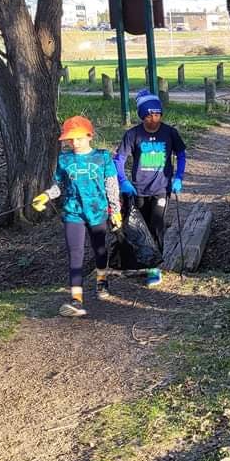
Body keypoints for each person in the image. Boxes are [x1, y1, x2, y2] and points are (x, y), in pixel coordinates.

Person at [31, 116, 121, 317]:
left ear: (90, 136)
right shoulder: (64, 160)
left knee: (100, 249)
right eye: (70, 139)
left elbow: (112, 185)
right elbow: (59, 186)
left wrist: (115, 211)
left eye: (78, 138)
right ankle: (76, 299)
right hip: (73, 211)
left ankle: (101, 279)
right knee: (76, 253)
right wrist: (46, 195)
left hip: (97, 210)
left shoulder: (102, 157)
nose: (74, 143)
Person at [114, 89, 187, 287]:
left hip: (161, 188)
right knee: (139, 226)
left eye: (157, 114)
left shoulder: (170, 133)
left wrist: (178, 177)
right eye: (149, 115)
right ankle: (139, 263)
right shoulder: (133, 134)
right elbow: (119, 160)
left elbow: (181, 155)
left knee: (156, 225)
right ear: (142, 116)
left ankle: (154, 268)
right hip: (138, 189)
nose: (154, 118)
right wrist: (123, 181)